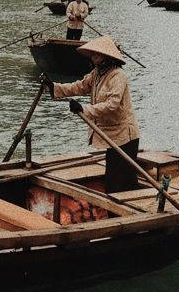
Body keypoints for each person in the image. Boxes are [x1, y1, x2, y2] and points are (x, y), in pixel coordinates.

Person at [48, 35, 141, 194]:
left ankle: (131, 210)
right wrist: (54, 87)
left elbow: (112, 105)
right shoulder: (97, 74)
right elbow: (79, 87)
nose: (93, 57)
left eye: (97, 54)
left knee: (120, 181)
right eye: (93, 54)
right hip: (111, 136)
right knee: (114, 179)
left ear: (107, 56)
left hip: (125, 137)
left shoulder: (118, 76)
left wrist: (84, 109)